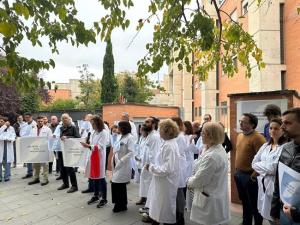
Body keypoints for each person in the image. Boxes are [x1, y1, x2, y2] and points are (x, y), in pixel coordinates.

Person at [187, 122, 230, 225]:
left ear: (210, 135)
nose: (201, 135)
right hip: (213, 195)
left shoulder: (212, 156)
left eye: (203, 133)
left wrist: (188, 181)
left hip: (209, 200)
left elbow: (200, 180)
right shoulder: (216, 148)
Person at [252, 118, 287, 224]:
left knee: (276, 218)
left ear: (283, 130)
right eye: (271, 128)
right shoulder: (265, 145)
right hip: (263, 183)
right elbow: (253, 163)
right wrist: (267, 168)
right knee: (266, 214)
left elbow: (274, 168)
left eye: (276, 128)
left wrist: (262, 166)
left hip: (276, 186)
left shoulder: (284, 147)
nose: (272, 131)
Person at [145, 119, 180, 225]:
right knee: (159, 208)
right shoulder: (167, 143)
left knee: (164, 210)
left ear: (167, 131)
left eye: (160, 129)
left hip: (166, 183)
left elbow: (166, 169)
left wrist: (151, 167)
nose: (158, 131)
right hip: (162, 182)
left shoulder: (169, 146)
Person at [234, 113, 266, 225]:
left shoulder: (258, 138)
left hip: (250, 176)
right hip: (239, 175)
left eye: (244, 122)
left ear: (252, 125)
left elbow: (263, 160)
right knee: (245, 202)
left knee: (255, 205)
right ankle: (246, 222)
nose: (241, 123)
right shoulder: (240, 135)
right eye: (240, 121)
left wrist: (253, 176)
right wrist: (236, 170)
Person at [271, 108, 300, 224]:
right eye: (282, 122)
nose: (282, 127)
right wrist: (274, 208)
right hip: (284, 210)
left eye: (287, 123)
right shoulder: (286, 148)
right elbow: (279, 180)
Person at [81, 115, 109, 208]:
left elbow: (100, 146)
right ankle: (96, 195)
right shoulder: (93, 132)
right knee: (94, 176)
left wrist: (89, 146)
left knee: (101, 177)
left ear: (98, 123)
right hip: (93, 156)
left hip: (99, 158)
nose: (91, 125)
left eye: (93, 123)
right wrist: (88, 145)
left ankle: (104, 198)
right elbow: (93, 144)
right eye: (91, 123)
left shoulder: (103, 132)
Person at [111, 121, 134, 213]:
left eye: (119, 127)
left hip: (123, 164)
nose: (117, 129)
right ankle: (120, 204)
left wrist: (121, 160)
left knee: (118, 183)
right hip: (116, 162)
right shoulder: (120, 136)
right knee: (117, 184)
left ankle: (121, 205)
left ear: (123, 128)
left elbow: (131, 152)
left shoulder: (130, 138)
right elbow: (116, 147)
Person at [137, 117, 161, 206]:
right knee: (145, 183)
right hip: (145, 164)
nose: (144, 123)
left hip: (150, 166)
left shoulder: (154, 136)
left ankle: (150, 205)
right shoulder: (150, 135)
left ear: (153, 124)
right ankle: (146, 200)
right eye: (144, 122)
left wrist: (149, 164)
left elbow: (154, 153)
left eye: (147, 122)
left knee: (150, 185)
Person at [57, 113, 80, 193]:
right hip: (62, 150)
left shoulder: (73, 127)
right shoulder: (61, 128)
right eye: (63, 118)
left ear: (69, 119)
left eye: (66, 118)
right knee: (62, 168)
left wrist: (67, 137)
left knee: (70, 168)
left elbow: (78, 137)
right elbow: (60, 137)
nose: (64, 120)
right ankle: (65, 183)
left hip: (70, 151)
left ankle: (74, 186)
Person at [28, 116, 52, 186]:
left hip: (44, 149)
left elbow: (50, 139)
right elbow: (30, 138)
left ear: (43, 121)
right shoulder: (33, 129)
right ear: (36, 121)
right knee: (35, 165)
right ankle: (36, 178)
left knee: (45, 165)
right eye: (39, 121)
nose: (40, 122)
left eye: (41, 121)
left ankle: (45, 179)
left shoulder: (47, 129)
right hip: (35, 149)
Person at [20, 113, 37, 179]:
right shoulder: (24, 124)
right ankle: (29, 172)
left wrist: (26, 137)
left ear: (31, 117)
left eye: (28, 117)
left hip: (32, 143)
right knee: (27, 158)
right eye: (25, 117)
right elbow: (21, 133)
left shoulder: (34, 124)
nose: (26, 119)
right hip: (25, 142)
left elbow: (33, 134)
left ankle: (35, 172)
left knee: (34, 158)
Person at [0, 117, 16, 182]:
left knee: (7, 162)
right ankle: (0, 177)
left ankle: (7, 176)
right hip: (1, 146)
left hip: (8, 146)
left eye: (1, 121)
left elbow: (14, 136)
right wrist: (4, 126)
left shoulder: (11, 128)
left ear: (5, 121)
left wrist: (11, 140)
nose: (0, 122)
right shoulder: (1, 128)